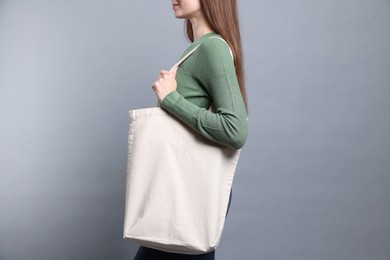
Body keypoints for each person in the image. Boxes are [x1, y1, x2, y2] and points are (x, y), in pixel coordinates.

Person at [133, 0, 248, 259]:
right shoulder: (198, 49)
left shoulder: (212, 48)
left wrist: (171, 99)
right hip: (180, 189)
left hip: (188, 192)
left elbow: (235, 130)